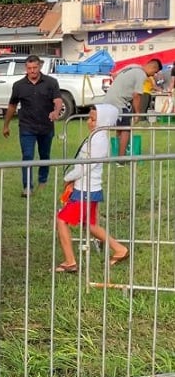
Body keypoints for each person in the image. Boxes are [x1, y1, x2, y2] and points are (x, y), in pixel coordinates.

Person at [55, 105, 129, 272]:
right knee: (91, 225)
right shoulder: (96, 137)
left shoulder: (98, 140)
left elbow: (84, 167)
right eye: (89, 118)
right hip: (89, 189)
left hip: (86, 190)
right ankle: (119, 249)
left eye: (93, 119)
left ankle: (70, 261)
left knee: (61, 220)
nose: (89, 122)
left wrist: (67, 179)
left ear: (103, 121)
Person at [2, 55, 63, 197]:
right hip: (26, 127)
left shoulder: (51, 82)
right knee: (27, 155)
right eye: (29, 68)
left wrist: (56, 111)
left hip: (45, 126)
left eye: (35, 68)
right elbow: (12, 105)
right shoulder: (18, 85)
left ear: (40, 66)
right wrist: (6, 125)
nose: (32, 71)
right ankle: (27, 187)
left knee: (44, 155)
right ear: (26, 68)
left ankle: (43, 180)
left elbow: (58, 100)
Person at [100, 60, 161, 156]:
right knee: (126, 129)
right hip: (119, 101)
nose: (152, 75)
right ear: (153, 68)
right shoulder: (141, 75)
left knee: (119, 128)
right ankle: (121, 159)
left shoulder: (132, 66)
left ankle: (117, 154)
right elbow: (136, 95)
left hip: (108, 99)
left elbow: (115, 75)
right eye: (154, 72)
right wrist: (137, 113)